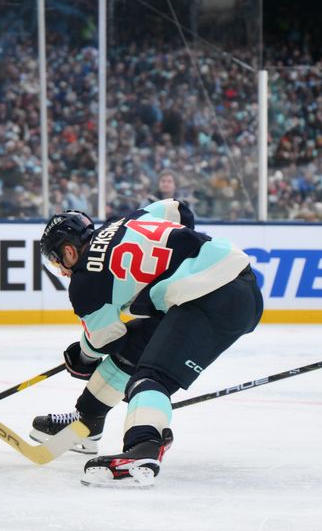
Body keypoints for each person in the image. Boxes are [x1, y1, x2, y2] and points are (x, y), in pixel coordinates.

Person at [31, 198, 263, 486]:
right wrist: (172, 264)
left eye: (56, 261)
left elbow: (102, 340)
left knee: (150, 377)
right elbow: (179, 209)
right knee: (134, 350)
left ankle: (143, 448)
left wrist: (81, 357)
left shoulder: (83, 282)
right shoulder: (125, 221)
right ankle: (87, 420)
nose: (61, 271)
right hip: (232, 282)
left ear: (68, 250)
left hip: (210, 297)